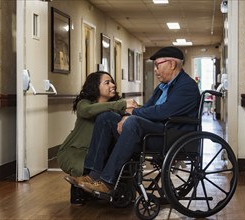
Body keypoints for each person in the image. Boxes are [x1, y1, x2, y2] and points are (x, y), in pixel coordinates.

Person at [65, 46, 201, 195]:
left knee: (133, 122)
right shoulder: (163, 86)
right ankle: (93, 175)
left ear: (172, 64)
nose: (155, 70)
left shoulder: (186, 86)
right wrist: (127, 116)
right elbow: (148, 107)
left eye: (157, 65)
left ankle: (107, 182)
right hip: (156, 130)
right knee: (106, 118)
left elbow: (163, 112)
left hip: (171, 136)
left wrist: (133, 113)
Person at [57, 71, 138, 205]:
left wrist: (125, 116)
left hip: (101, 152)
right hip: (76, 151)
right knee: (87, 165)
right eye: (107, 82)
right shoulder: (84, 103)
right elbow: (88, 111)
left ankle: (103, 189)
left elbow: (133, 115)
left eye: (112, 81)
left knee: (116, 159)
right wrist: (121, 106)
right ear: (95, 86)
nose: (112, 85)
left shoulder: (116, 105)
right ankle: (79, 190)